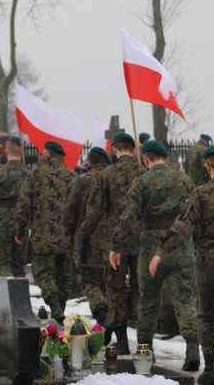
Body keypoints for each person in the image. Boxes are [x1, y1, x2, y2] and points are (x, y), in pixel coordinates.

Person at [152, 145, 214, 385]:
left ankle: (211, 371)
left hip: (209, 265)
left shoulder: (200, 194)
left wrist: (160, 251)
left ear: (207, 168)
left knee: (207, 316)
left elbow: (182, 227)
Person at [110, 140, 199, 370]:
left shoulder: (141, 182)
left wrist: (116, 246)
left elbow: (129, 217)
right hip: (180, 245)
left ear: (146, 159)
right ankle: (192, 348)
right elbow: (194, 215)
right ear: (166, 157)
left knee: (148, 302)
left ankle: (145, 351)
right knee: (184, 300)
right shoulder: (185, 180)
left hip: (151, 248)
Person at [77, 132, 145, 354]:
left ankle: (123, 341)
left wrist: (84, 235)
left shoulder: (106, 175)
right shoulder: (143, 174)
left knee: (115, 290)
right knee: (140, 289)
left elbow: (95, 210)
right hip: (141, 241)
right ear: (134, 150)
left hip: (115, 242)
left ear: (114, 150)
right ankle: (145, 340)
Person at [15, 141, 75, 324]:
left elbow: (23, 204)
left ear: (46, 155)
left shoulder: (36, 175)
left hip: (43, 236)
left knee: (43, 273)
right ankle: (59, 313)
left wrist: (19, 230)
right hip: (67, 237)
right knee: (63, 278)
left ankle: (54, 306)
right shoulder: (72, 176)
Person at [63, 146, 111, 325]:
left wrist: (70, 236)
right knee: (110, 282)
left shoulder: (80, 181)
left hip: (87, 240)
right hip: (114, 241)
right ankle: (111, 318)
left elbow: (68, 213)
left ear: (89, 163)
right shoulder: (114, 178)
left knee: (89, 281)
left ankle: (101, 310)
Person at [0, 136, 28, 278]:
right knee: (19, 260)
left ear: (6, 152)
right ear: (22, 152)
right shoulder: (29, 174)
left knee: (2, 260)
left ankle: (7, 292)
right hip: (23, 218)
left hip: (1, 218)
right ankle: (19, 295)